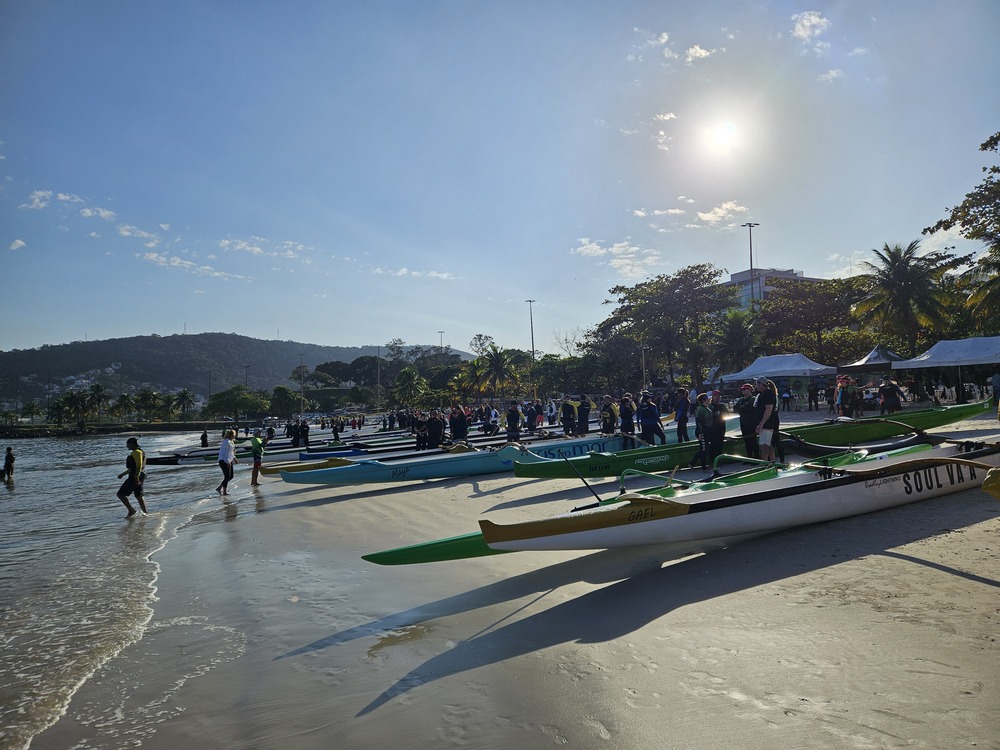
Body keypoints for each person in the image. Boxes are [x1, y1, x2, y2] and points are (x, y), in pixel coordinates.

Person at [116, 437, 147, 517]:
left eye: (128, 444)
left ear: (133, 444)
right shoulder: (140, 451)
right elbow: (133, 467)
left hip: (135, 476)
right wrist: (123, 474)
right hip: (139, 475)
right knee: (138, 495)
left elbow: (139, 465)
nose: (127, 446)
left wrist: (136, 477)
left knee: (120, 494)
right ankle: (145, 513)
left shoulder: (136, 452)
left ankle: (131, 510)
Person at [753, 377, 780, 463]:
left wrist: (761, 423)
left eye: (757, 383)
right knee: (768, 443)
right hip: (763, 423)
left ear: (762, 384)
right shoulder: (762, 394)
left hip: (767, 424)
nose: (756, 385)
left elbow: (768, 410)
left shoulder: (768, 394)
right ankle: (772, 461)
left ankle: (764, 463)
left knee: (764, 445)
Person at [734, 384, 760, 459]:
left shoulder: (753, 399)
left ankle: (756, 457)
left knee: (753, 440)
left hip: (751, 423)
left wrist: (741, 408)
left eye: (745, 389)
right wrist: (742, 408)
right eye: (742, 390)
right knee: (746, 441)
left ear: (749, 390)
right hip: (743, 423)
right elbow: (735, 408)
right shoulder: (741, 400)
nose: (743, 391)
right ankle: (749, 457)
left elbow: (748, 408)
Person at [691, 394, 713, 470]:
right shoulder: (700, 409)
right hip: (702, 431)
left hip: (707, 431)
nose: (709, 400)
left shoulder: (706, 408)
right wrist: (700, 433)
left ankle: (694, 464)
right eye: (707, 399)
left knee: (705, 448)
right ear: (704, 400)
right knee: (703, 449)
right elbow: (699, 422)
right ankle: (698, 465)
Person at [708, 390, 728, 462]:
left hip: (721, 427)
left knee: (720, 443)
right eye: (716, 396)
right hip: (713, 427)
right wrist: (715, 414)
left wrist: (721, 414)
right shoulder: (710, 406)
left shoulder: (722, 406)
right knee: (713, 444)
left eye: (719, 396)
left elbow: (727, 414)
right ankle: (712, 460)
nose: (718, 397)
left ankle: (719, 459)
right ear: (713, 397)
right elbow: (708, 415)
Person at [216, 429, 237, 496]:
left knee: (231, 476)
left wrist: (234, 458)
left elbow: (231, 452)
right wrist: (227, 462)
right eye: (233, 435)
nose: (234, 437)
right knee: (227, 476)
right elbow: (224, 453)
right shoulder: (226, 442)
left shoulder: (231, 442)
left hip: (229, 460)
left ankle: (219, 488)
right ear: (230, 435)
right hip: (223, 461)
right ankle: (224, 491)